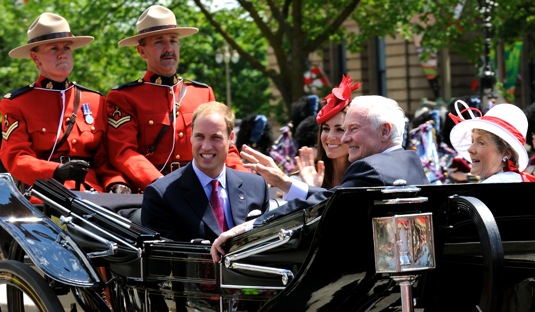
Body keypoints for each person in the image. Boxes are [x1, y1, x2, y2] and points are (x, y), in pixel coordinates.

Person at [211, 95, 430, 262]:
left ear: (385, 131)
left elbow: (324, 203)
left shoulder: (369, 168)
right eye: (330, 129)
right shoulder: (411, 161)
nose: (344, 138)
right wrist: (285, 182)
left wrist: (248, 228)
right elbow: (330, 197)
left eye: (352, 129)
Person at [106, 5, 247, 194]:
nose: (168, 48)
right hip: (155, 192)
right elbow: (123, 152)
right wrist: (160, 184)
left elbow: (223, 147)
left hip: (202, 188)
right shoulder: (125, 97)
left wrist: (245, 179)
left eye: (173, 41)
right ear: (142, 51)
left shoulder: (202, 93)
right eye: (159, 42)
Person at [0, 12, 130, 195]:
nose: (62, 55)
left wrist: (115, 182)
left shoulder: (95, 100)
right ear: (35, 58)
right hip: (44, 194)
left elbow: (103, 159)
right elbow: (15, 158)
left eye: (66, 48)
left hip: (94, 195)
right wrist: (56, 171)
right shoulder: (17, 103)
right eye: (54, 49)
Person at [141, 101, 270, 242]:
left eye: (216, 138)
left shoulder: (256, 187)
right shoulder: (162, 195)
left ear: (231, 138)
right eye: (199, 136)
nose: (206, 146)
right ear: (191, 136)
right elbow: (165, 259)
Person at [241, 74, 360, 193]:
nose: (330, 136)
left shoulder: (366, 172)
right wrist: (292, 184)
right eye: (326, 129)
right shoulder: (303, 175)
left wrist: (312, 190)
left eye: (340, 129)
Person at [449, 102, 535, 183]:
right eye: (472, 141)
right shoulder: (517, 179)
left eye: (481, 143)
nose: (470, 149)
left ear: (507, 153)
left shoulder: (493, 185)